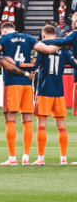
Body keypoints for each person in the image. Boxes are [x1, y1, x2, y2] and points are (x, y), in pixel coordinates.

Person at [0, 21, 58, 165]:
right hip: (28, 85)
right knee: (27, 120)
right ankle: (26, 157)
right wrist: (64, 43)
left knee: (10, 120)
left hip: (12, 84)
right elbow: (47, 49)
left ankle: (12, 158)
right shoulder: (29, 38)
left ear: (3, 31)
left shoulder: (4, 39)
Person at [31, 25, 77, 165]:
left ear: (43, 35)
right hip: (59, 92)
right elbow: (74, 64)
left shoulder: (40, 47)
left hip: (44, 90)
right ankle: (63, 158)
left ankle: (40, 158)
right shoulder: (64, 49)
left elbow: (34, 66)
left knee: (41, 125)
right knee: (61, 126)